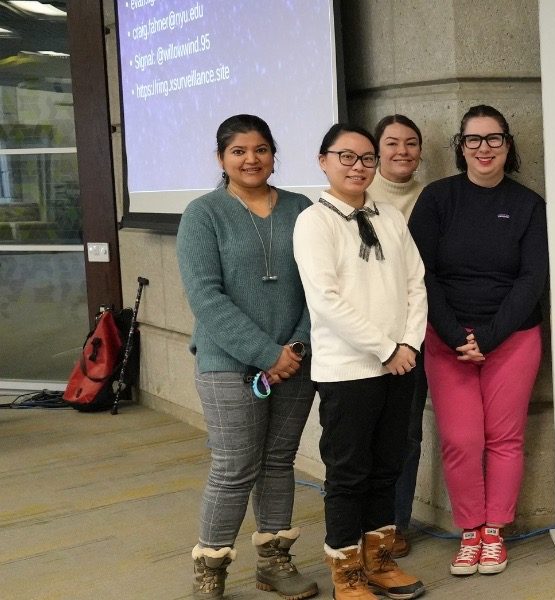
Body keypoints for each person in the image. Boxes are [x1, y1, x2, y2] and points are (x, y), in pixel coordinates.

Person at [176, 114, 319, 600]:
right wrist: (265, 354)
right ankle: (210, 571)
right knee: (235, 465)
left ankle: (274, 562)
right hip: (227, 363)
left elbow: (317, 287)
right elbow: (206, 298)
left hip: (296, 361)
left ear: (274, 155)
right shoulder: (203, 214)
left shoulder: (302, 208)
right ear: (222, 159)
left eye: (260, 149)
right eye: (238, 151)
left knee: (279, 461)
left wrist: (294, 349)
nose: (251, 159)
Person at [407, 105, 548, 577]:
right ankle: (469, 529)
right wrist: (455, 335)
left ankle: (495, 531)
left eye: (494, 139)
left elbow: (532, 279)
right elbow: (419, 274)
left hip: (512, 336)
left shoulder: (529, 205)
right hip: (447, 337)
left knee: (504, 438)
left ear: (508, 145)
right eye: (473, 140)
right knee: (462, 439)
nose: (484, 148)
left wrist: (488, 336)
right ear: (460, 147)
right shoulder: (437, 199)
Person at [295, 123, 427, 600]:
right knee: (349, 473)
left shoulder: (389, 215)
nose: (358, 166)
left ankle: (380, 561)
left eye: (366, 158)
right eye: (346, 157)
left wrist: (408, 345)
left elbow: (417, 282)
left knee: (387, 467)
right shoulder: (315, 221)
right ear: (323, 160)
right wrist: (387, 348)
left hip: (399, 366)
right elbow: (326, 300)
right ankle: (346, 574)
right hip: (348, 371)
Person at [367, 114, 428, 558]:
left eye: (411, 143)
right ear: (376, 151)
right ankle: (358, 524)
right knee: (360, 435)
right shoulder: (356, 196)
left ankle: (393, 522)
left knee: (406, 434)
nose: (402, 151)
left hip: (413, 335)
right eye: (392, 143)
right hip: (363, 335)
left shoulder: (436, 196)